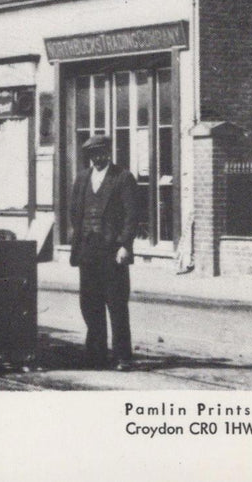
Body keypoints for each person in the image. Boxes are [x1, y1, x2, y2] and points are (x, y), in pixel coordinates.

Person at [69, 134, 139, 371]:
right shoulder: (82, 178)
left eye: (101, 153)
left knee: (116, 304)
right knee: (90, 305)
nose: (98, 158)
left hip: (112, 252)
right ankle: (96, 355)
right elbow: (74, 212)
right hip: (87, 251)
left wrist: (125, 245)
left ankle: (122, 357)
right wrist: (81, 237)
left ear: (109, 153)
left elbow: (132, 215)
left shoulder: (123, 177)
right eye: (93, 154)